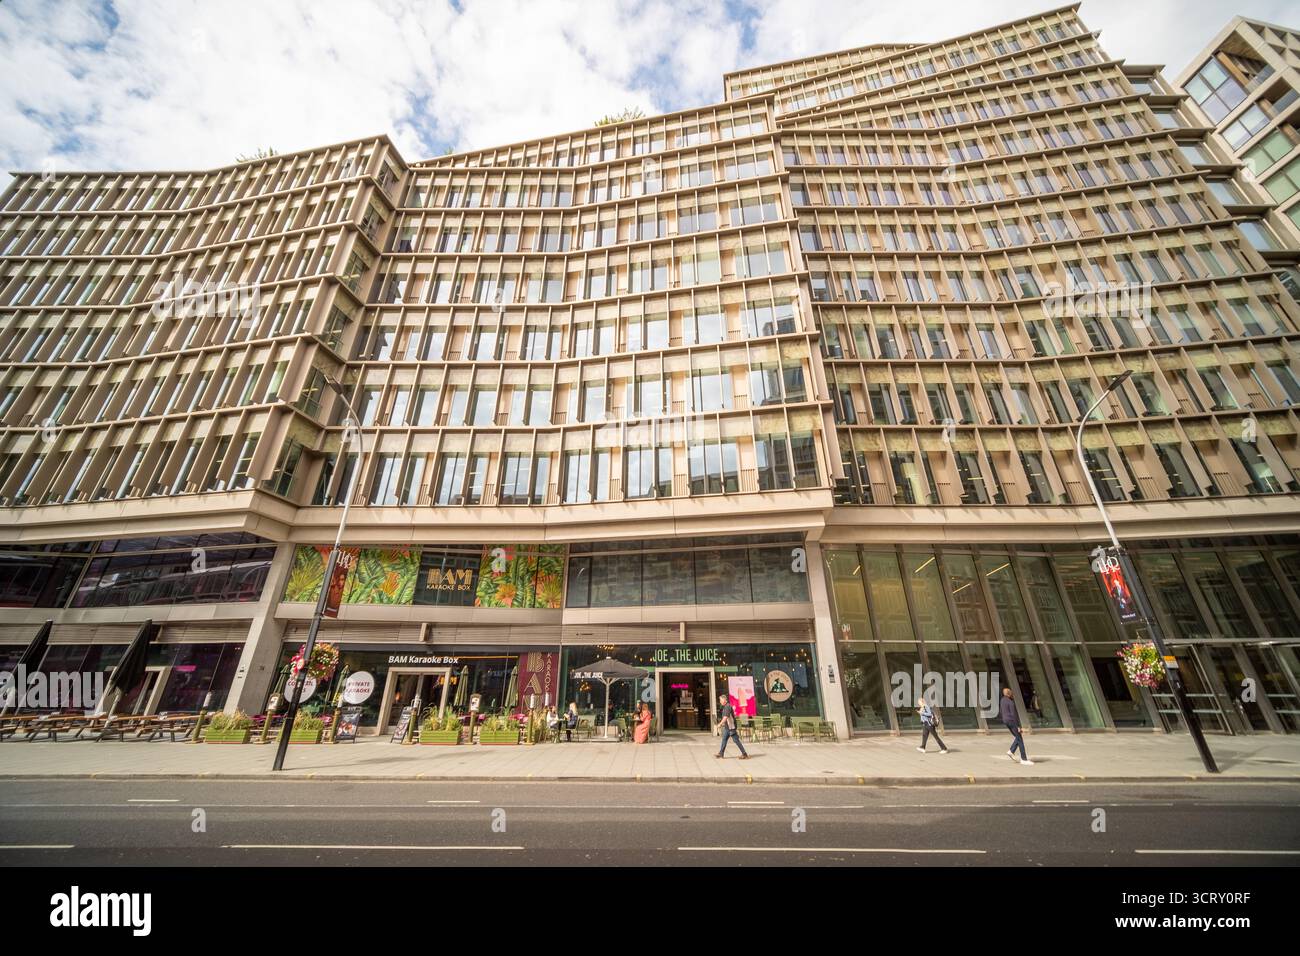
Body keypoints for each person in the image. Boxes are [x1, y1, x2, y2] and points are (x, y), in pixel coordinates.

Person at [999, 687, 1033, 765]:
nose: (1012, 694)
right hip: (1012, 721)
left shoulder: (1002, 700)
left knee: (1018, 737)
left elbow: (1001, 711)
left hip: (1006, 721)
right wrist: (1018, 726)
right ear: (1008, 694)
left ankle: (1011, 751)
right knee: (1020, 739)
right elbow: (1014, 715)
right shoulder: (1010, 702)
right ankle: (1023, 759)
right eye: (1011, 693)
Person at [714, 693, 748, 759]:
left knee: (736, 740)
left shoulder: (727, 707)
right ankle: (721, 753)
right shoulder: (725, 707)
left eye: (721, 700)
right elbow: (725, 718)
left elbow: (725, 717)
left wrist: (720, 724)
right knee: (724, 739)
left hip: (731, 727)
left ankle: (744, 754)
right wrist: (723, 724)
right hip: (728, 727)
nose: (720, 701)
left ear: (724, 700)